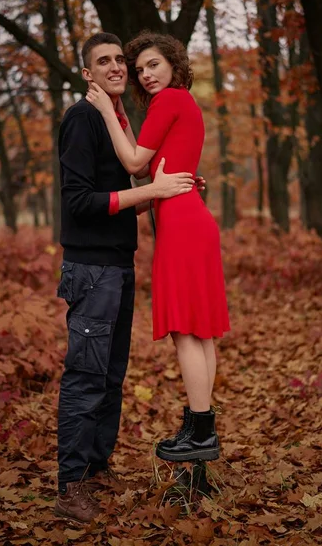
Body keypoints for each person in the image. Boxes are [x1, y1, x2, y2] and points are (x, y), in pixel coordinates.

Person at [55, 32, 199, 524]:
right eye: (105, 61)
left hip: (117, 262)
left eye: (123, 60)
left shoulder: (117, 119)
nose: (119, 67)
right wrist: (150, 192)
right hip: (91, 268)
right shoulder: (82, 118)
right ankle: (70, 485)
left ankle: (97, 468)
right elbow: (79, 203)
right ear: (89, 73)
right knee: (87, 377)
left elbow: (125, 187)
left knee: (112, 377)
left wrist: (169, 190)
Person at [86, 31, 230, 464]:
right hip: (191, 217)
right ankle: (200, 423)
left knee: (186, 329)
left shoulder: (169, 99)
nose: (146, 74)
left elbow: (133, 164)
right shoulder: (180, 101)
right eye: (140, 68)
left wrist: (106, 110)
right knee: (199, 330)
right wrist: (123, 117)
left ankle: (201, 431)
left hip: (183, 225)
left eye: (154, 65)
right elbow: (152, 163)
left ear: (173, 63)